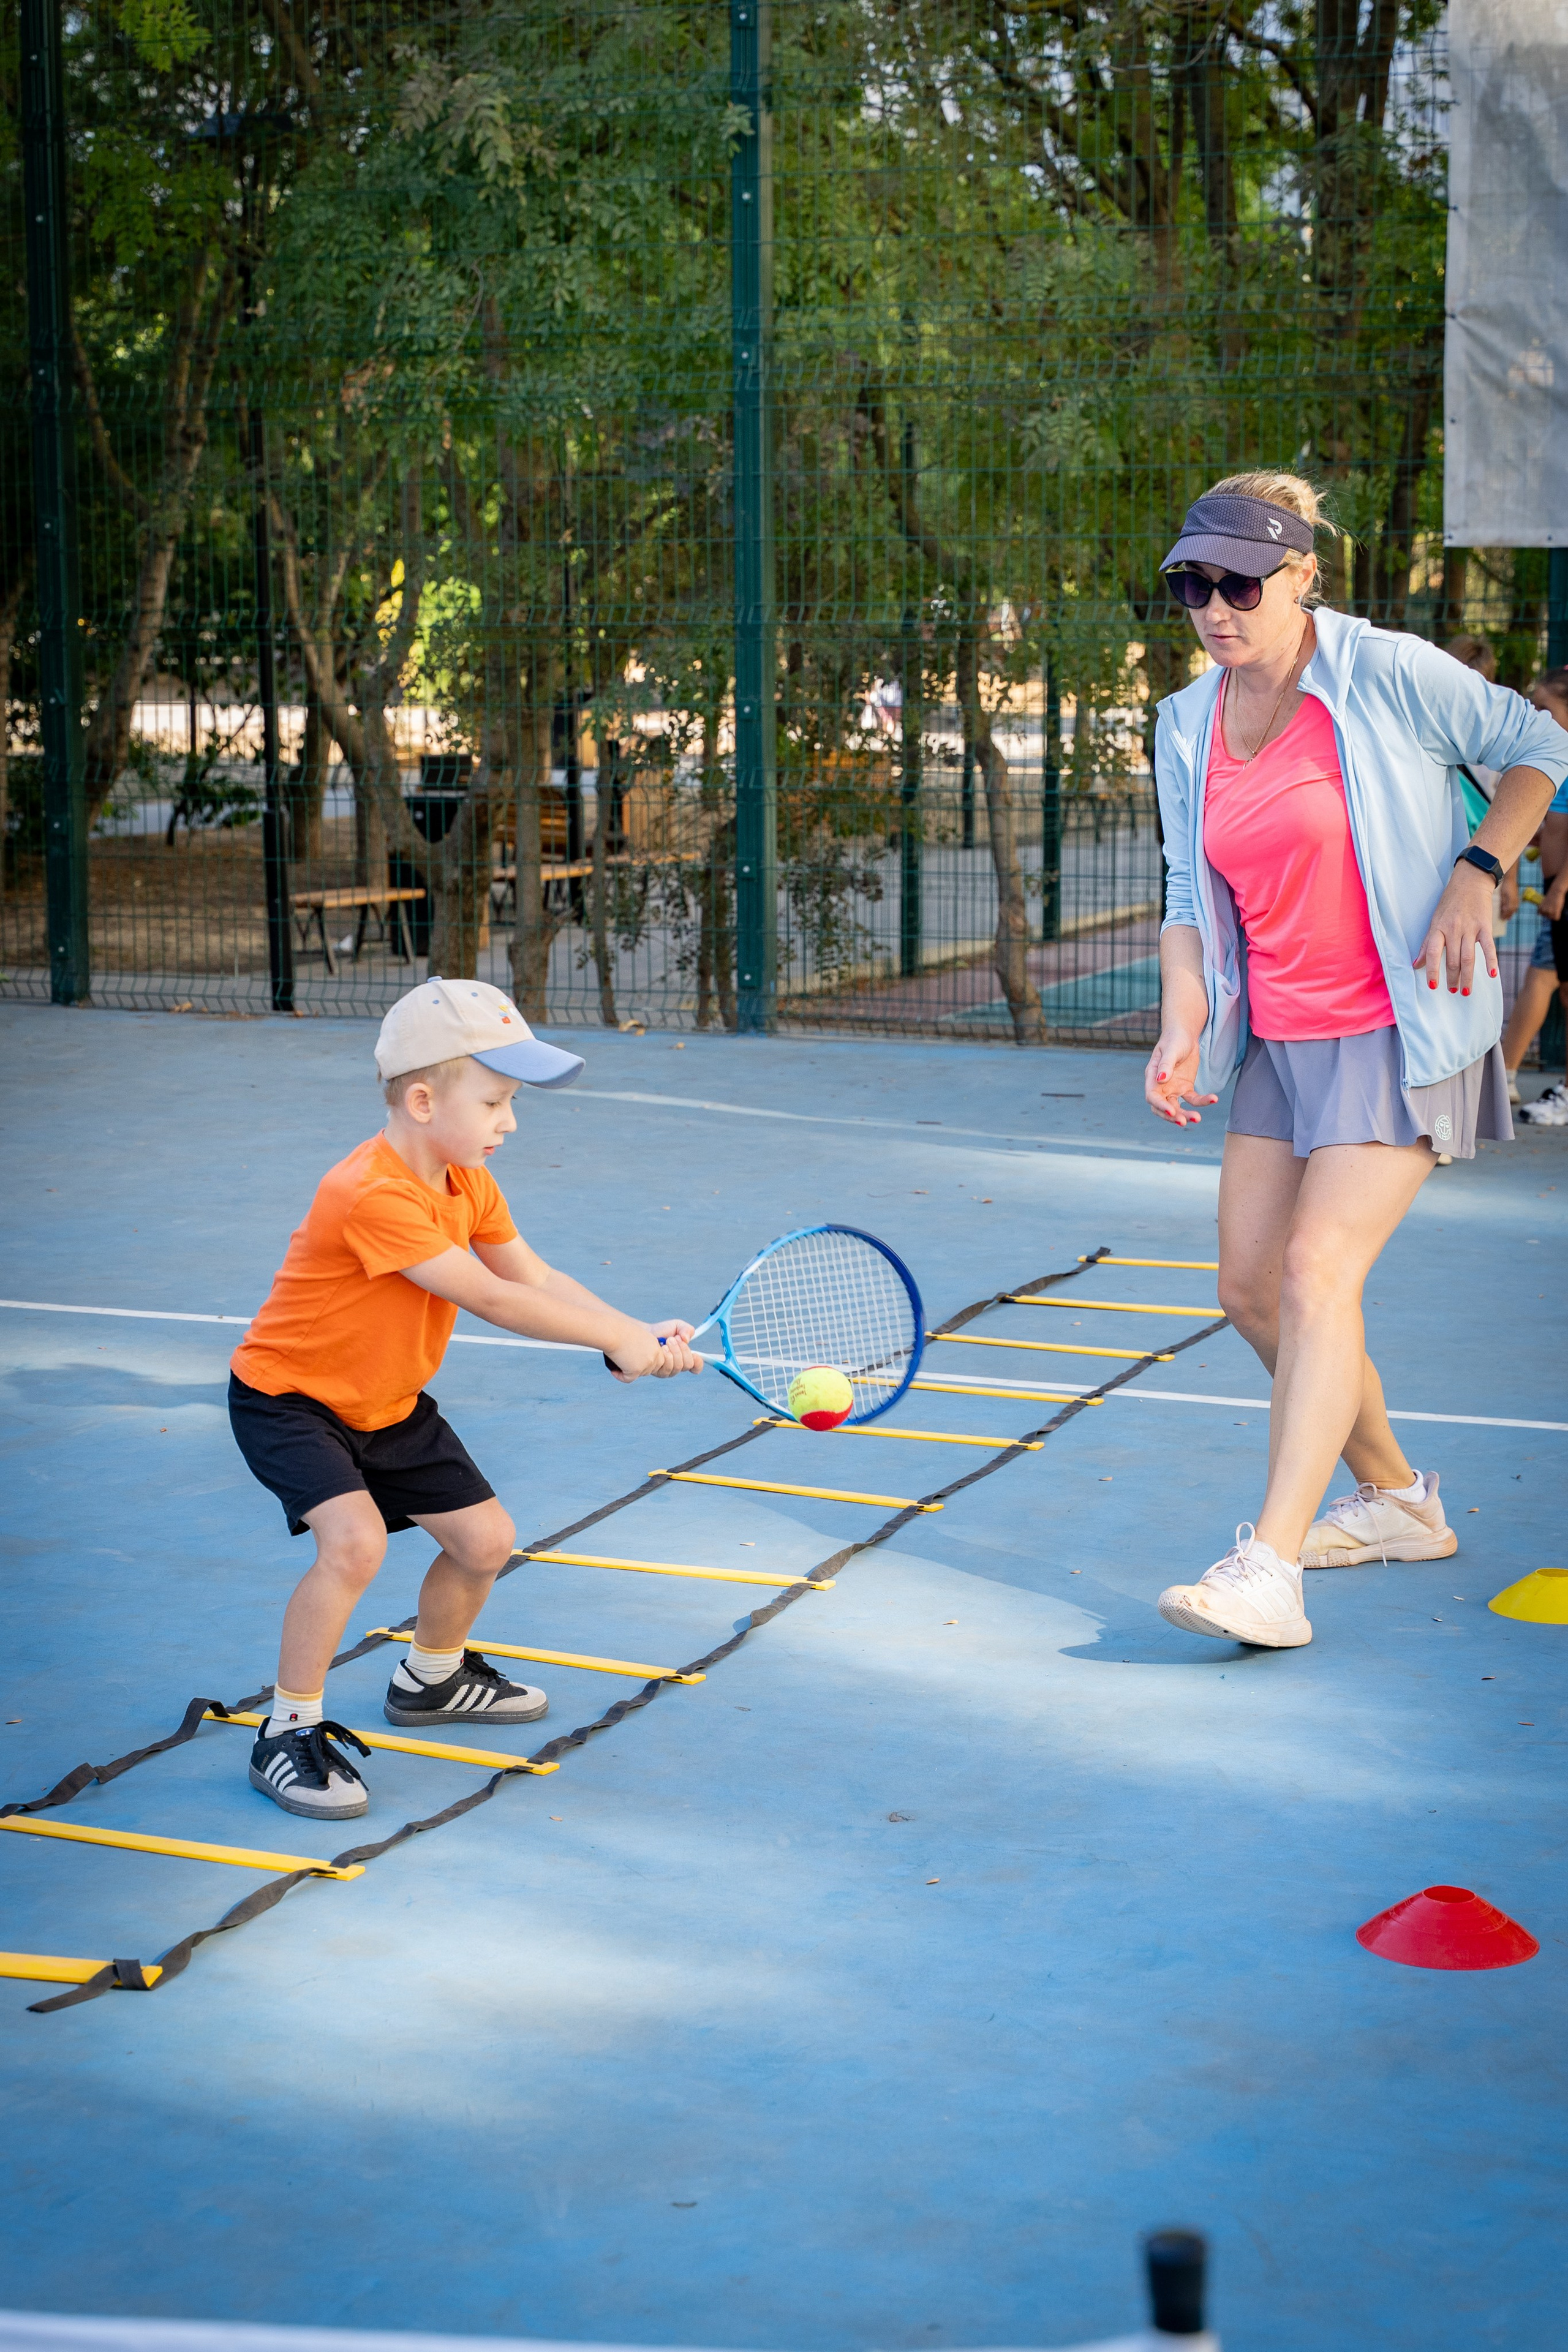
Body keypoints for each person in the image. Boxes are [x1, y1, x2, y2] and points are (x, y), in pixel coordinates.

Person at [1144, 473, 1568, 1649]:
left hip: (1402, 1023)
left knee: (1317, 1273)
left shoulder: (1384, 671)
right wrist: (1185, 1018)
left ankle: (1268, 1566)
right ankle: (1396, 1502)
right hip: (1279, 1038)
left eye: (1239, 583)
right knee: (1248, 1289)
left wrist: (1481, 868)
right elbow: (1189, 894)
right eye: (1194, 584)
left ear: (1300, 578)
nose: (1215, 607)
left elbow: (1536, 746)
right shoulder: (1188, 720)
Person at [228, 977, 701, 1819]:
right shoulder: (371, 1192)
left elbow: (534, 1275)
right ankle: (287, 1730)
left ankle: (431, 1679)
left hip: (389, 1400)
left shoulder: (466, 1180)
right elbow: (490, 1298)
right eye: (495, 1102)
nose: (509, 1122)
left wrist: (632, 1330)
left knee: (485, 1543)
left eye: (512, 1102)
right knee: (355, 1545)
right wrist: (612, 1342)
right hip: (291, 1399)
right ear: (421, 1099)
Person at [1500, 667, 1568, 1123]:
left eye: (1548, 709)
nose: (1539, 717)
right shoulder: (1556, 757)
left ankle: (1502, 1074)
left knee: (1543, 977)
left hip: (1562, 893)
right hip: (1553, 889)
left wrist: (1562, 886)